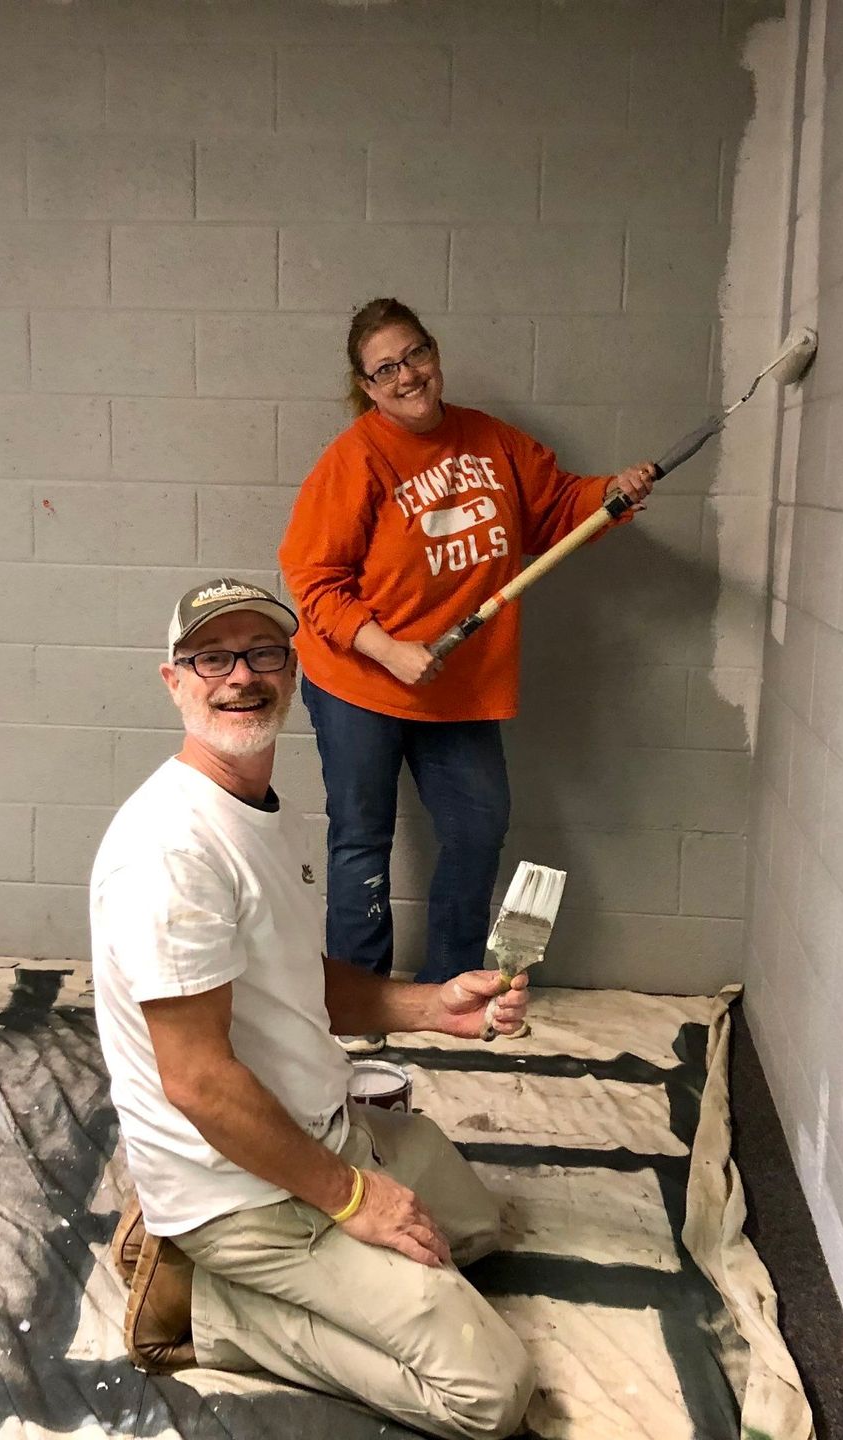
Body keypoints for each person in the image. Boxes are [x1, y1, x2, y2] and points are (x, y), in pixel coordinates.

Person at [90, 576, 538, 1440]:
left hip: (319, 1127)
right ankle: (210, 1306)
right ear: (173, 680)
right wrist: (350, 1198)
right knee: (489, 1393)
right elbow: (198, 1083)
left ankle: (325, 1233)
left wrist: (432, 1005)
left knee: (476, 1229)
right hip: (241, 1190)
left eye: (262, 654)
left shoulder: (261, 809)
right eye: (211, 658)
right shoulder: (169, 852)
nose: (240, 677)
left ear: (291, 673)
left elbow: (301, 974)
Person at [278, 297, 659, 1035]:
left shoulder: (490, 440)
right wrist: (389, 648)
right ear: (366, 384)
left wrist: (609, 495)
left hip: (455, 684)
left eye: (414, 353)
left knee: (478, 827)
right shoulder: (357, 458)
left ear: (434, 352)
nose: (406, 374)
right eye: (385, 368)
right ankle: (355, 1006)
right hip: (360, 678)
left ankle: (451, 991)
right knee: (362, 838)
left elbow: (556, 510)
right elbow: (313, 579)